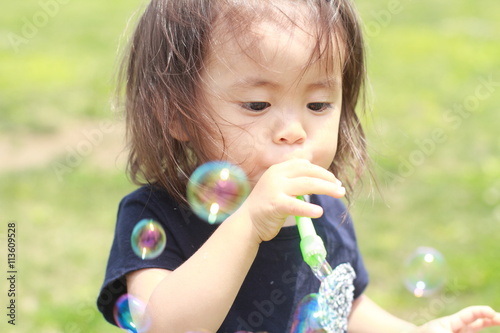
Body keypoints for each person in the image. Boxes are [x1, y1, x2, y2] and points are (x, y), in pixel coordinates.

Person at [96, 0, 500, 332]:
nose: (293, 131)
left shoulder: (322, 210)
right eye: (257, 105)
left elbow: (345, 310)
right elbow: (165, 326)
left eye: (318, 105)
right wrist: (249, 224)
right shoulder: (156, 216)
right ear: (177, 114)